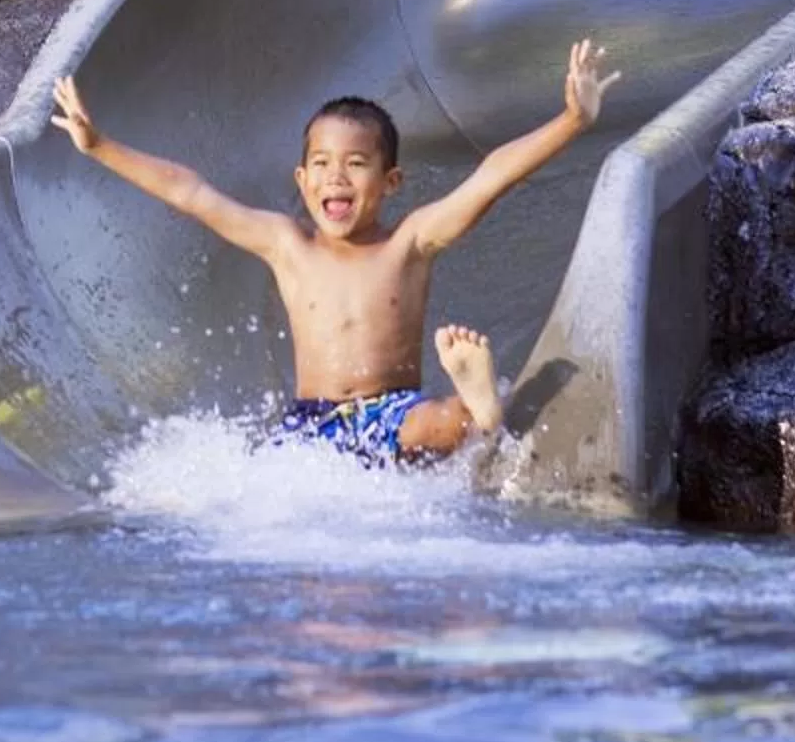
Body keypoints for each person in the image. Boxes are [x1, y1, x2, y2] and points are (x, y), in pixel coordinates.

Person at [47, 40, 619, 465]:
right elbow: (190, 192)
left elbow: (489, 178)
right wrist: (99, 147)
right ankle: (473, 419)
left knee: (441, 425)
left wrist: (572, 121)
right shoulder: (286, 244)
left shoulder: (409, 244)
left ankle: (479, 407)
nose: (336, 177)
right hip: (308, 422)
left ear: (390, 182)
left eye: (356, 163)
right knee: (261, 480)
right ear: (302, 180)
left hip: (392, 412)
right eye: (321, 163)